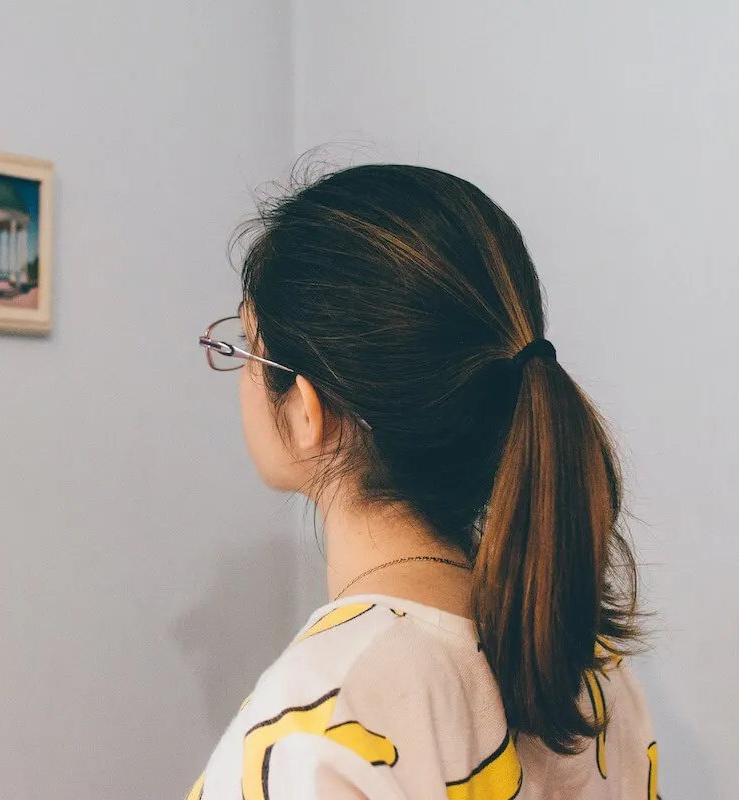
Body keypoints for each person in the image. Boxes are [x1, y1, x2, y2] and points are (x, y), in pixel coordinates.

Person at [189, 164, 657, 800]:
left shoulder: (321, 720)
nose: (237, 371)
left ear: (306, 409)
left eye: (247, 346)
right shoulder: (590, 674)